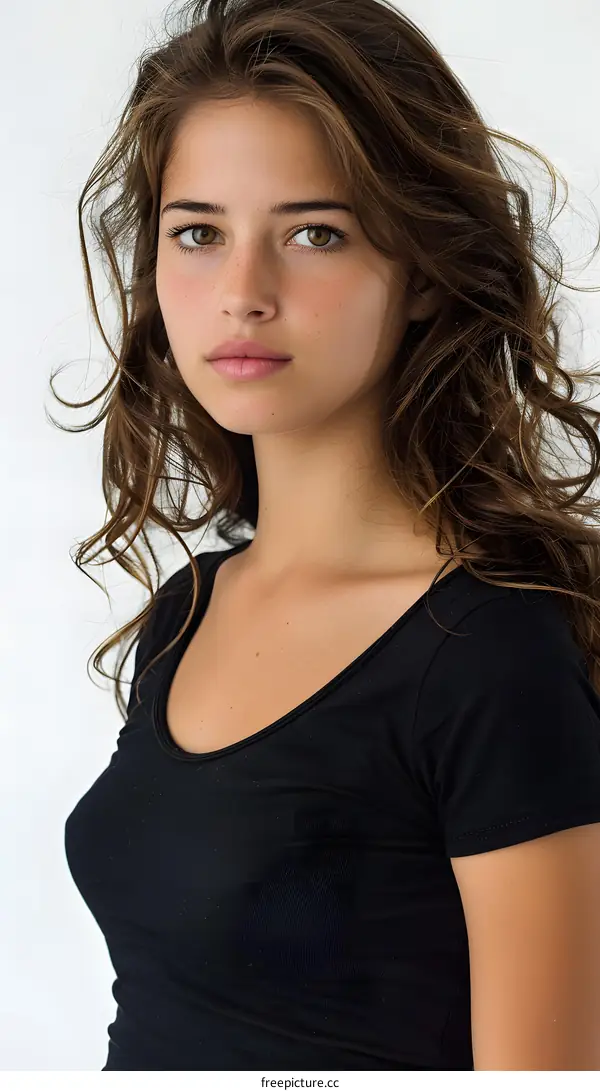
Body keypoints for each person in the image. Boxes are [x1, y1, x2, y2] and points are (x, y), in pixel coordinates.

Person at [59, 0, 600, 1072]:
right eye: (198, 232)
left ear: (423, 271)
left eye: (315, 232)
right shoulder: (190, 610)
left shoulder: (490, 654)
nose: (243, 295)